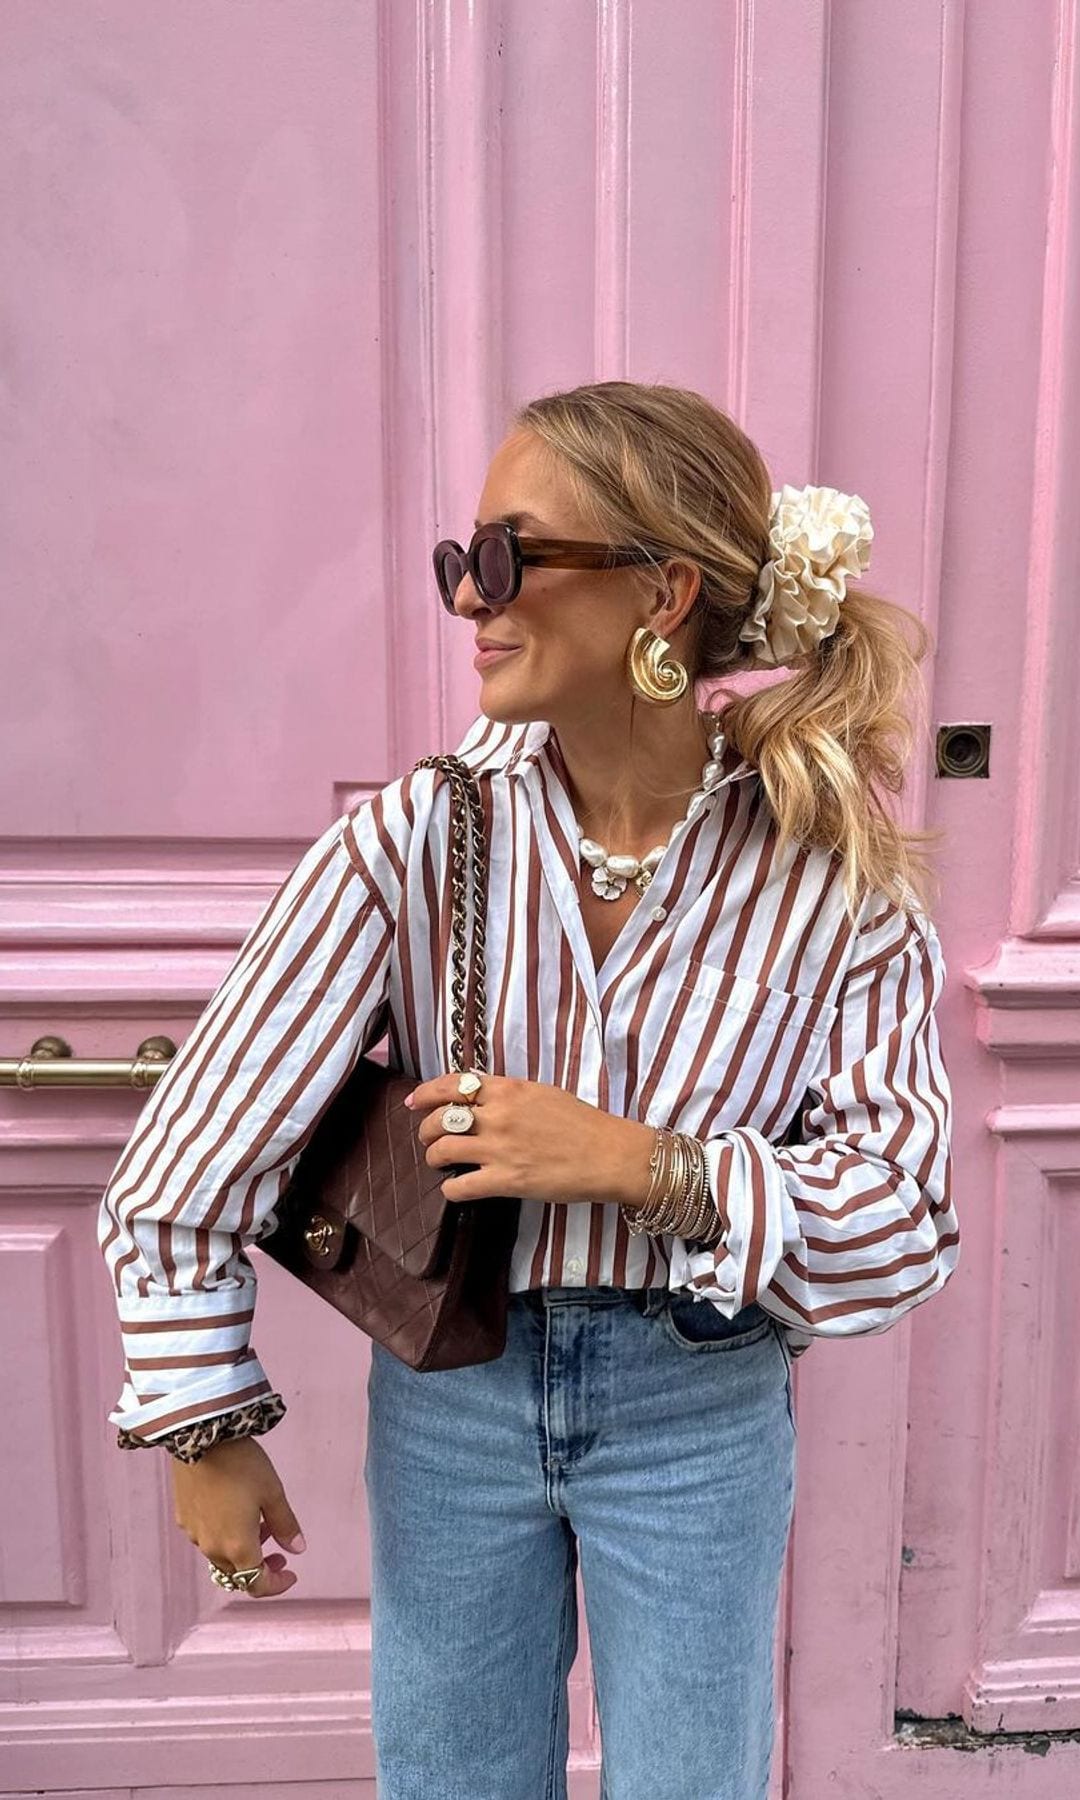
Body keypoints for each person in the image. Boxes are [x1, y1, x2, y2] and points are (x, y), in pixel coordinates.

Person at [97, 380, 958, 1799]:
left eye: (507, 558)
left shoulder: (828, 875)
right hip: (456, 1398)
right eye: (460, 561)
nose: (468, 599)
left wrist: (645, 1164)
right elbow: (194, 1160)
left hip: (703, 1400)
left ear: (661, 593)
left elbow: (903, 1220)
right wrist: (207, 1425)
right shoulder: (421, 834)